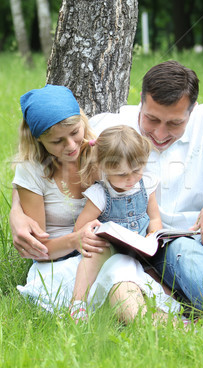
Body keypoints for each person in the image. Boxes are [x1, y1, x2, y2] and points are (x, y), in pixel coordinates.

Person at [11, 61, 203, 322]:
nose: (160, 134)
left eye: (174, 123)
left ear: (192, 111)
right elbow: (40, 165)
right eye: (151, 120)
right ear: (140, 104)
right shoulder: (110, 128)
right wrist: (17, 212)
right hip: (162, 256)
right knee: (181, 246)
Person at [12, 84, 180, 324]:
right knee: (115, 272)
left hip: (111, 254)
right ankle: (173, 328)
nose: (70, 146)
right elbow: (39, 250)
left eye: (74, 133)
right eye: (57, 141)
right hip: (60, 264)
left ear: (82, 120)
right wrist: (75, 240)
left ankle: (175, 326)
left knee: (121, 270)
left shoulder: (101, 151)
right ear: (38, 140)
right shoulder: (32, 172)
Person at [70, 125, 165, 321]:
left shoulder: (146, 184)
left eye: (136, 170)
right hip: (110, 249)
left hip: (139, 248)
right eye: (122, 175)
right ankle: (78, 304)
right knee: (94, 255)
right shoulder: (101, 194)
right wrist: (93, 228)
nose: (131, 179)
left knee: (159, 273)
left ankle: (174, 310)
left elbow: (154, 218)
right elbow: (79, 228)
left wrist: (153, 236)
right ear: (104, 168)